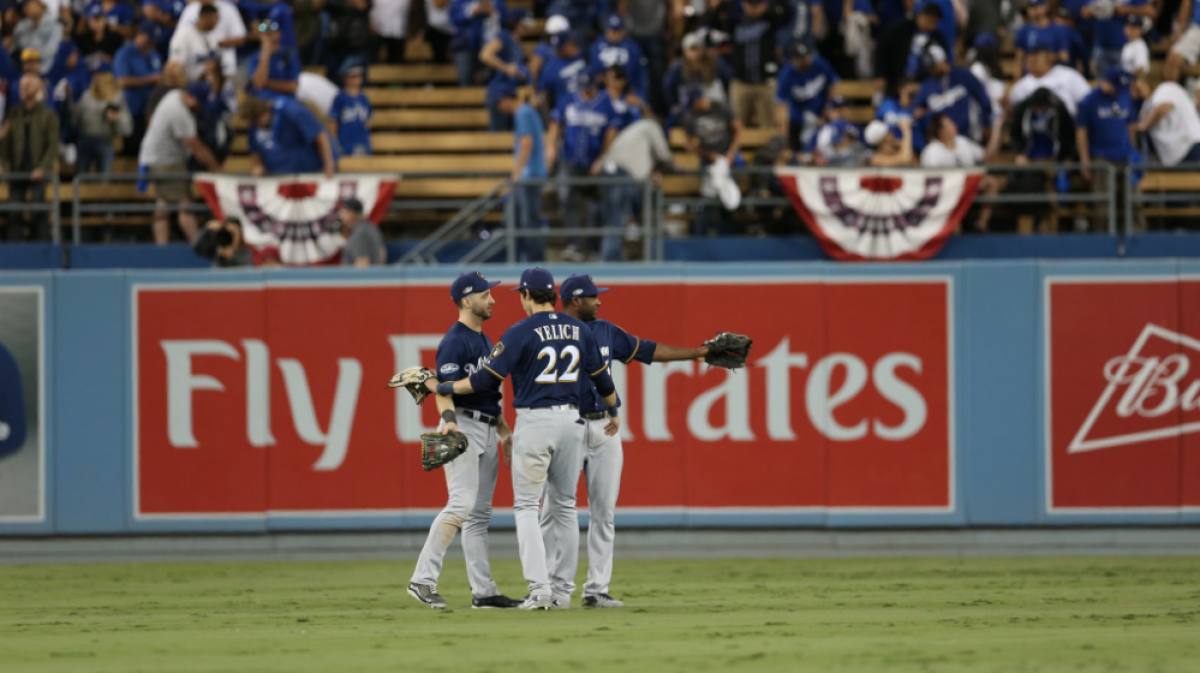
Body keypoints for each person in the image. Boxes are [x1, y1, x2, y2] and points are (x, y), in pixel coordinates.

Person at [424, 266, 620, 611]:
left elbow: (484, 380)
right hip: (572, 421)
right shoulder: (578, 328)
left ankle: (540, 590)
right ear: (554, 294)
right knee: (566, 506)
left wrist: (443, 386)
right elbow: (602, 378)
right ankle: (562, 593)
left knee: (528, 506)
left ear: (527, 295)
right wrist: (613, 409)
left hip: (536, 421)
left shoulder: (519, 331)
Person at [541, 274, 712, 608]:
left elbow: (647, 350)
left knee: (604, 512)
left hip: (604, 427)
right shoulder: (552, 332)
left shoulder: (606, 330)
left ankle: (596, 589)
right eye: (593, 296)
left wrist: (697, 352)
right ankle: (548, 588)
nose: (599, 300)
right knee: (552, 511)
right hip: (566, 424)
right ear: (575, 300)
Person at [405, 272, 524, 610]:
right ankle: (422, 580)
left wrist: (504, 431)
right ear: (467, 301)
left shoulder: (485, 341)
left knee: (478, 516)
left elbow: (487, 395)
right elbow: (443, 390)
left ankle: (483, 592)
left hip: (487, 427)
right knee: (461, 504)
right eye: (485, 295)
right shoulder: (455, 341)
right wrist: (448, 420)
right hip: (463, 426)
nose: (493, 300)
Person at [546, 69, 620, 260]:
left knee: (597, 205)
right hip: (570, 159)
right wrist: (551, 146)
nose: (586, 90)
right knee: (565, 197)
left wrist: (602, 158)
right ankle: (575, 246)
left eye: (589, 87)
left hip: (593, 161)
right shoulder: (569, 99)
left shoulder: (605, 101)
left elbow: (612, 130)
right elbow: (555, 122)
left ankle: (594, 248)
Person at [139, 81, 222, 244]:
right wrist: (216, 168)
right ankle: (198, 246)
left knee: (163, 203)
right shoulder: (178, 111)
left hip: (156, 158)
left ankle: (161, 248)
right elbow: (197, 148)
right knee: (185, 204)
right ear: (192, 99)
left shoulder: (174, 94)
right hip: (167, 161)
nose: (199, 107)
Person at [599, 118, 674, 261]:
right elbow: (664, 155)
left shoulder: (633, 129)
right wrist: (676, 166)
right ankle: (614, 256)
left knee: (612, 219)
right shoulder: (651, 125)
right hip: (622, 174)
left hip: (607, 170)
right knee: (619, 217)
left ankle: (611, 257)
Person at [0, 74, 59, 242]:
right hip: (18, 170)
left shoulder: (48, 115)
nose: (24, 88)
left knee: (39, 205)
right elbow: (4, 144)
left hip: (39, 169)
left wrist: (43, 168)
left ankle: (41, 245)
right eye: (22, 86)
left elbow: (53, 146)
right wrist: (2, 163)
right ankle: (14, 245)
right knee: (14, 206)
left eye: (28, 85)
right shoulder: (13, 114)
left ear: (38, 89)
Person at [1076, 66, 1136, 229]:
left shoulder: (1125, 95)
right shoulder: (1089, 101)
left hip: (1125, 154)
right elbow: (1081, 132)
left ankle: (1138, 235)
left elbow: (1130, 124)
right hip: (1101, 156)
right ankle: (1104, 236)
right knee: (1103, 201)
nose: (1119, 90)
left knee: (1135, 199)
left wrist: (1134, 150)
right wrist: (1085, 161)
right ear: (1106, 82)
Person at [920, 113, 1001, 231]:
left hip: (969, 186)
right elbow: (933, 181)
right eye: (949, 124)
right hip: (948, 191)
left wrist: (996, 131)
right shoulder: (932, 151)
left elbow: (986, 157)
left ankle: (981, 224)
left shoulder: (962, 142)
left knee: (991, 182)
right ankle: (954, 228)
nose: (954, 125)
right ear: (941, 132)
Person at [683, 87, 743, 236]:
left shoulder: (720, 108)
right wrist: (707, 155)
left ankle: (726, 238)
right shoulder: (691, 116)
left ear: (700, 100)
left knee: (727, 201)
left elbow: (739, 129)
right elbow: (689, 144)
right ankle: (700, 238)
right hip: (708, 162)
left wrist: (731, 153)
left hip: (727, 159)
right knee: (707, 201)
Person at [723, 0, 788, 128]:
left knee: (769, 128)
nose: (754, 8)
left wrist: (767, 7)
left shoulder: (772, 19)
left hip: (766, 83)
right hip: (741, 83)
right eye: (750, 4)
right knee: (737, 126)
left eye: (757, 4)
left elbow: (787, 13)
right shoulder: (735, 20)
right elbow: (716, 19)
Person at [913, 43, 992, 144]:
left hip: (966, 137)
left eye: (933, 66)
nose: (931, 70)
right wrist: (919, 112)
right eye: (929, 67)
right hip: (939, 141)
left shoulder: (963, 75)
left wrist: (986, 124)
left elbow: (983, 99)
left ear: (942, 61)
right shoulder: (927, 85)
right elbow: (916, 109)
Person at [242, 95, 337, 178]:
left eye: (257, 121)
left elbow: (320, 135)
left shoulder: (292, 111)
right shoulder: (254, 125)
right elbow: (254, 148)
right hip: (277, 177)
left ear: (264, 114)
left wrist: (328, 164)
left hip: (310, 174)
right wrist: (258, 166)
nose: (256, 126)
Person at [774, 41, 838, 151]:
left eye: (807, 56)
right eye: (802, 58)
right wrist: (785, 135)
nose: (807, 60)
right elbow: (782, 106)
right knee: (798, 149)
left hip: (822, 114)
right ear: (793, 60)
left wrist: (826, 111)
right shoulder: (786, 75)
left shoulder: (820, 64)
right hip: (799, 120)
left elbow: (833, 87)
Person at [1007, 38, 1092, 118]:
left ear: (1049, 59)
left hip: (1067, 123)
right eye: (1029, 61)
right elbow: (1012, 110)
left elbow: (1087, 100)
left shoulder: (1069, 75)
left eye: (1035, 61)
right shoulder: (1022, 85)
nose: (1031, 65)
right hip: (1032, 125)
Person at [72, 62, 132, 174]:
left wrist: (117, 119)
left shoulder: (117, 97)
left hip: (105, 139)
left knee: (104, 177)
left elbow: (127, 128)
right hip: (85, 139)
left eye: (98, 75)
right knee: (81, 176)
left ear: (107, 76)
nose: (95, 78)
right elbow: (75, 120)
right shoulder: (87, 96)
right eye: (94, 75)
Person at [115, 23, 164, 154]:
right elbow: (122, 82)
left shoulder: (154, 54)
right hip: (132, 110)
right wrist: (150, 79)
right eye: (149, 40)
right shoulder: (124, 54)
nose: (152, 44)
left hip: (151, 109)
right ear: (140, 35)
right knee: (132, 149)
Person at [663, 31, 732, 124]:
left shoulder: (715, 63)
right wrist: (675, 105)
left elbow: (727, 81)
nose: (694, 52)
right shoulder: (678, 68)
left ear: (702, 49)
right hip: (689, 108)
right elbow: (668, 87)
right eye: (691, 49)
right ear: (684, 51)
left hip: (713, 105)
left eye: (696, 48)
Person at [480, 10, 530, 131]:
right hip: (499, 92)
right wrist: (506, 68)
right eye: (524, 24)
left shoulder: (516, 41)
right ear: (517, 23)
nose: (526, 27)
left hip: (510, 92)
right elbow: (485, 55)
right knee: (499, 132)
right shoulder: (505, 36)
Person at [1135, 77, 1200, 166]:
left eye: (1141, 85)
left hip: (1190, 144)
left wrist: (1145, 125)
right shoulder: (1147, 104)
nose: (1138, 90)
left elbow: (1163, 108)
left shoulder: (1166, 88)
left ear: (1149, 83)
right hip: (1175, 153)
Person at [177, 0, 246, 78]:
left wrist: (217, 44)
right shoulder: (190, 9)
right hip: (195, 64)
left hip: (224, 64)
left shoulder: (228, 8)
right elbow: (180, 35)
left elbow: (241, 38)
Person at [589, 13, 648, 101]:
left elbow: (640, 75)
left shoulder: (633, 48)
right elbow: (593, 74)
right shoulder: (596, 47)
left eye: (618, 31)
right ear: (606, 30)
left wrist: (639, 95)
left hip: (627, 92)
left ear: (624, 31)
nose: (615, 35)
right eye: (612, 31)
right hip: (602, 91)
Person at [450, 0, 506, 86]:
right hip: (467, 45)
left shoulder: (497, 2)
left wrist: (493, 12)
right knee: (465, 75)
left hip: (491, 44)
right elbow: (454, 19)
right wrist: (472, 11)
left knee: (494, 74)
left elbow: (505, 19)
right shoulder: (461, 1)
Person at [1091, 0, 1152, 78]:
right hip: (1103, 46)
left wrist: (1123, 9)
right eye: (1129, 27)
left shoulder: (1140, 46)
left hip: (1131, 82)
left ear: (1140, 30)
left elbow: (1142, 70)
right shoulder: (1127, 46)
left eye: (1134, 28)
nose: (1131, 31)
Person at [246, 20, 301, 100]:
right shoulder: (254, 57)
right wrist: (266, 53)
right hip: (263, 100)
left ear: (279, 34)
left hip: (286, 100)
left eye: (270, 34)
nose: (267, 37)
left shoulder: (288, 55)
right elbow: (258, 83)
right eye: (264, 34)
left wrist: (267, 83)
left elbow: (293, 86)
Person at [536, 31, 585, 115]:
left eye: (561, 48)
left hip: (591, 106)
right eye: (557, 49)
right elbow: (543, 93)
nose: (558, 51)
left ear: (570, 44)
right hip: (566, 111)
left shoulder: (585, 56)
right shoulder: (550, 68)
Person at [170, 4, 221, 82]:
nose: (217, 22)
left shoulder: (211, 36)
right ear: (207, 18)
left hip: (206, 84)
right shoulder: (184, 35)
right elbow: (176, 67)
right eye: (216, 18)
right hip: (189, 84)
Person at [324, 0, 373, 80]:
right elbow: (318, 5)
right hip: (335, 42)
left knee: (356, 81)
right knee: (333, 81)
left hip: (356, 43)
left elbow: (362, 5)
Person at [330, 63, 372, 155]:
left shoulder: (364, 97)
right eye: (352, 77)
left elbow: (367, 120)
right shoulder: (340, 97)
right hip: (345, 140)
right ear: (345, 78)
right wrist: (334, 141)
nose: (356, 80)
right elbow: (334, 120)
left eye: (358, 76)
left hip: (362, 139)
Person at [1014, 0, 1068, 71]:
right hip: (1031, 74)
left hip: (1053, 72)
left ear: (1046, 7)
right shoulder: (1024, 31)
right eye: (1031, 7)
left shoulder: (1057, 29)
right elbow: (1019, 60)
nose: (1034, 10)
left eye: (1037, 6)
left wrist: (1047, 58)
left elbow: (1064, 57)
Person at [876, 77, 925, 154]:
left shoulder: (920, 109)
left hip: (915, 150)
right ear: (900, 90)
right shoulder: (888, 104)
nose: (913, 97)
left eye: (916, 94)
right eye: (910, 93)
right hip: (892, 149)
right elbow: (879, 125)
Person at [13, 0, 62, 75]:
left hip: (49, 70)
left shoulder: (54, 23)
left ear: (38, 2)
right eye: (23, 6)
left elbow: (52, 51)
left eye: (28, 4)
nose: (26, 8)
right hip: (25, 69)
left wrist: (36, 63)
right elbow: (16, 48)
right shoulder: (21, 26)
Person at [337, 198, 385, 266]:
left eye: (344, 212)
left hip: (361, 273)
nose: (341, 215)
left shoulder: (359, 234)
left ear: (352, 214)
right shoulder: (370, 228)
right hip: (375, 271)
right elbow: (382, 253)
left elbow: (362, 264)